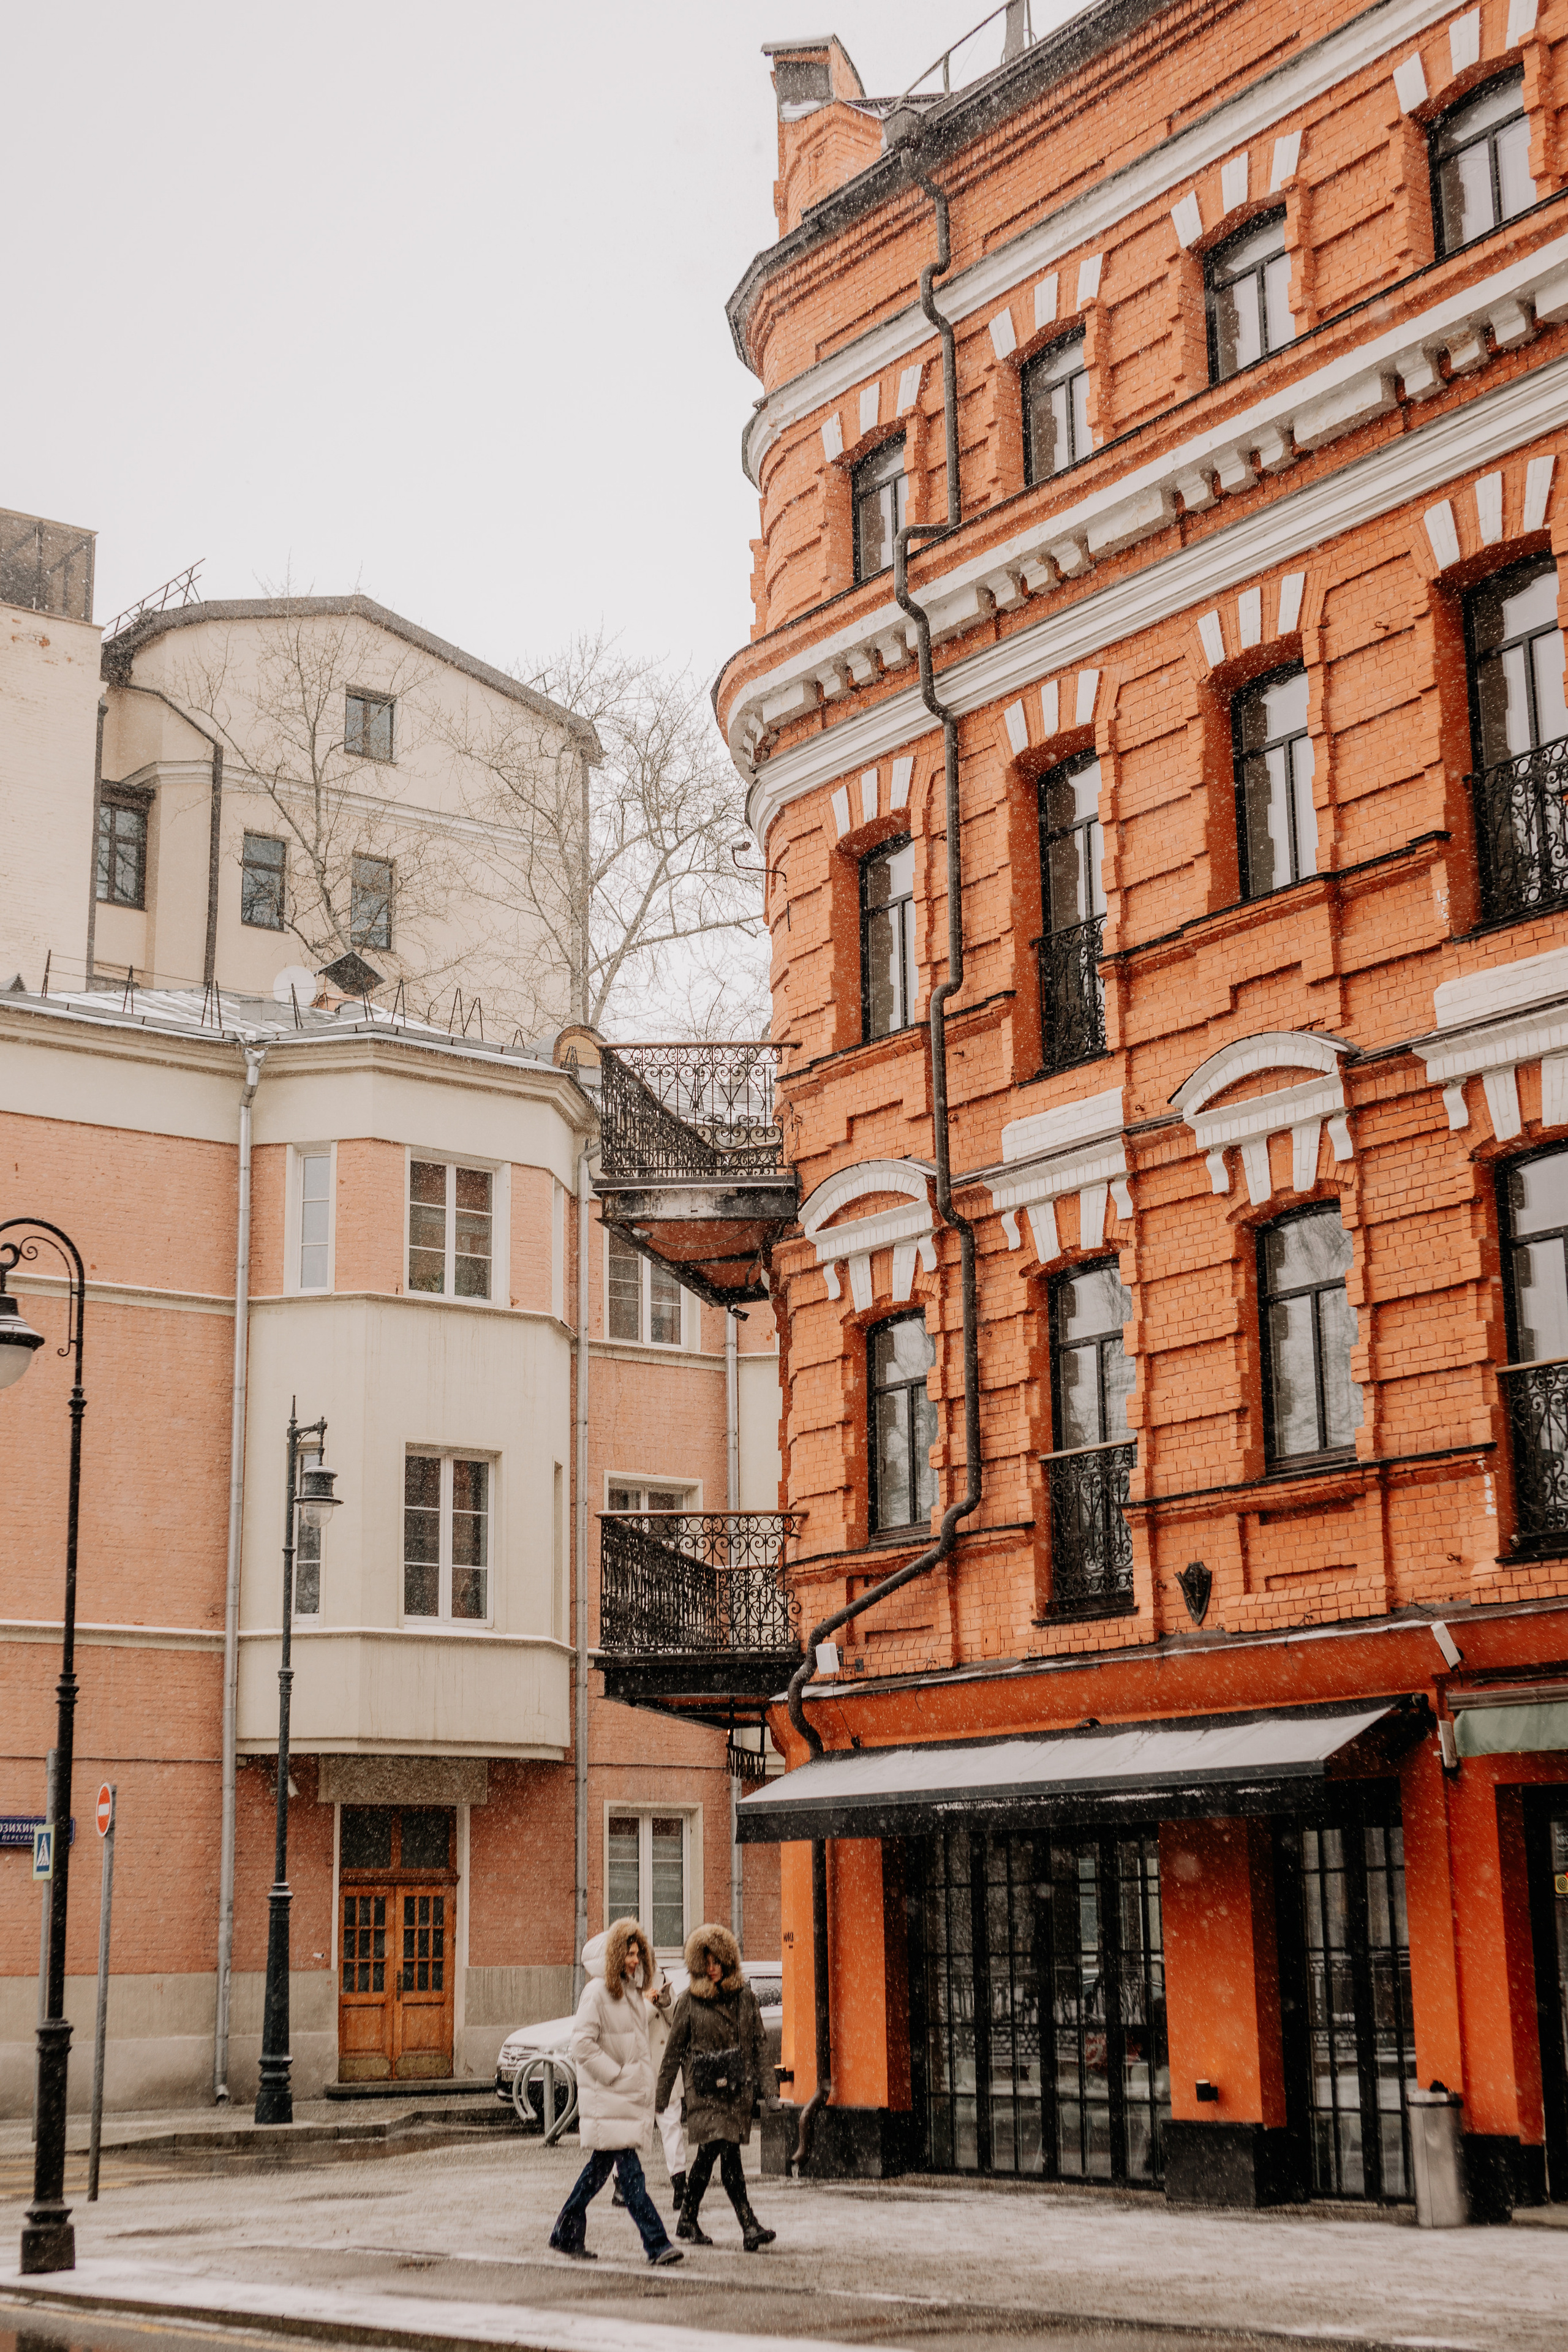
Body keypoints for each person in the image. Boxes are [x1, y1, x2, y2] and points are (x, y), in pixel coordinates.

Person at [548, 1917, 684, 2265]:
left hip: (623, 2100)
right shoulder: (596, 1992)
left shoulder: (629, 1991)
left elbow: (632, 2029)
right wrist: (617, 2076)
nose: (635, 1960)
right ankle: (657, 2243)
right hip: (611, 2098)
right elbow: (582, 2045)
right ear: (614, 1957)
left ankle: (565, 2233)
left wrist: (656, 2002)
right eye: (629, 1954)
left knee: (596, 2173)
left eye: (638, 1954)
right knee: (632, 2175)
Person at [655, 1923, 775, 2252]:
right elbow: (674, 2051)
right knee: (727, 2152)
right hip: (705, 2091)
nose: (713, 1969)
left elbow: (760, 2044)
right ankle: (748, 2225)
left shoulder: (745, 1998)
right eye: (707, 1963)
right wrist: (662, 2096)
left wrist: (771, 2090)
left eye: (718, 1961)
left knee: (709, 2155)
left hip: (736, 2089)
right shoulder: (690, 2002)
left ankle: (687, 2218)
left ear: (728, 1961)